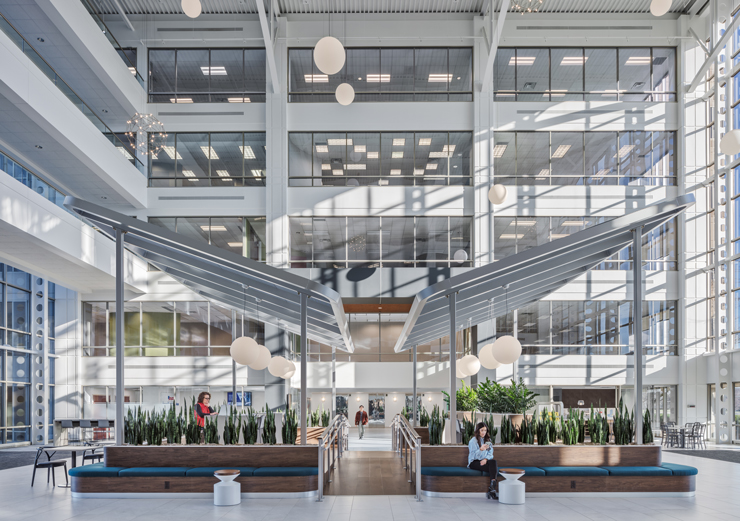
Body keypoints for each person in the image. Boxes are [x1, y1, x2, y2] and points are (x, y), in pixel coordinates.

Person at [468, 422, 498, 499]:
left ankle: (492, 488)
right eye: (482, 430)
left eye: (485, 430)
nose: (484, 432)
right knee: (493, 468)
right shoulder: (473, 441)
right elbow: (473, 456)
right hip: (474, 462)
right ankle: (492, 491)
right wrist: (481, 449)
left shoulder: (487, 440)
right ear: (478, 430)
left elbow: (491, 453)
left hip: (484, 461)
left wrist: (485, 459)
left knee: (493, 462)